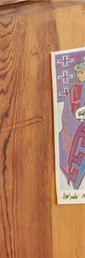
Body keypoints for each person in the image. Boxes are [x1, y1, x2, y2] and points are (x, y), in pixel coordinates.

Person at [59, 60, 85, 189]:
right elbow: (66, 115)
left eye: (81, 72)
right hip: (77, 132)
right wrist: (78, 120)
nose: (79, 75)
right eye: (78, 72)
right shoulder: (75, 90)